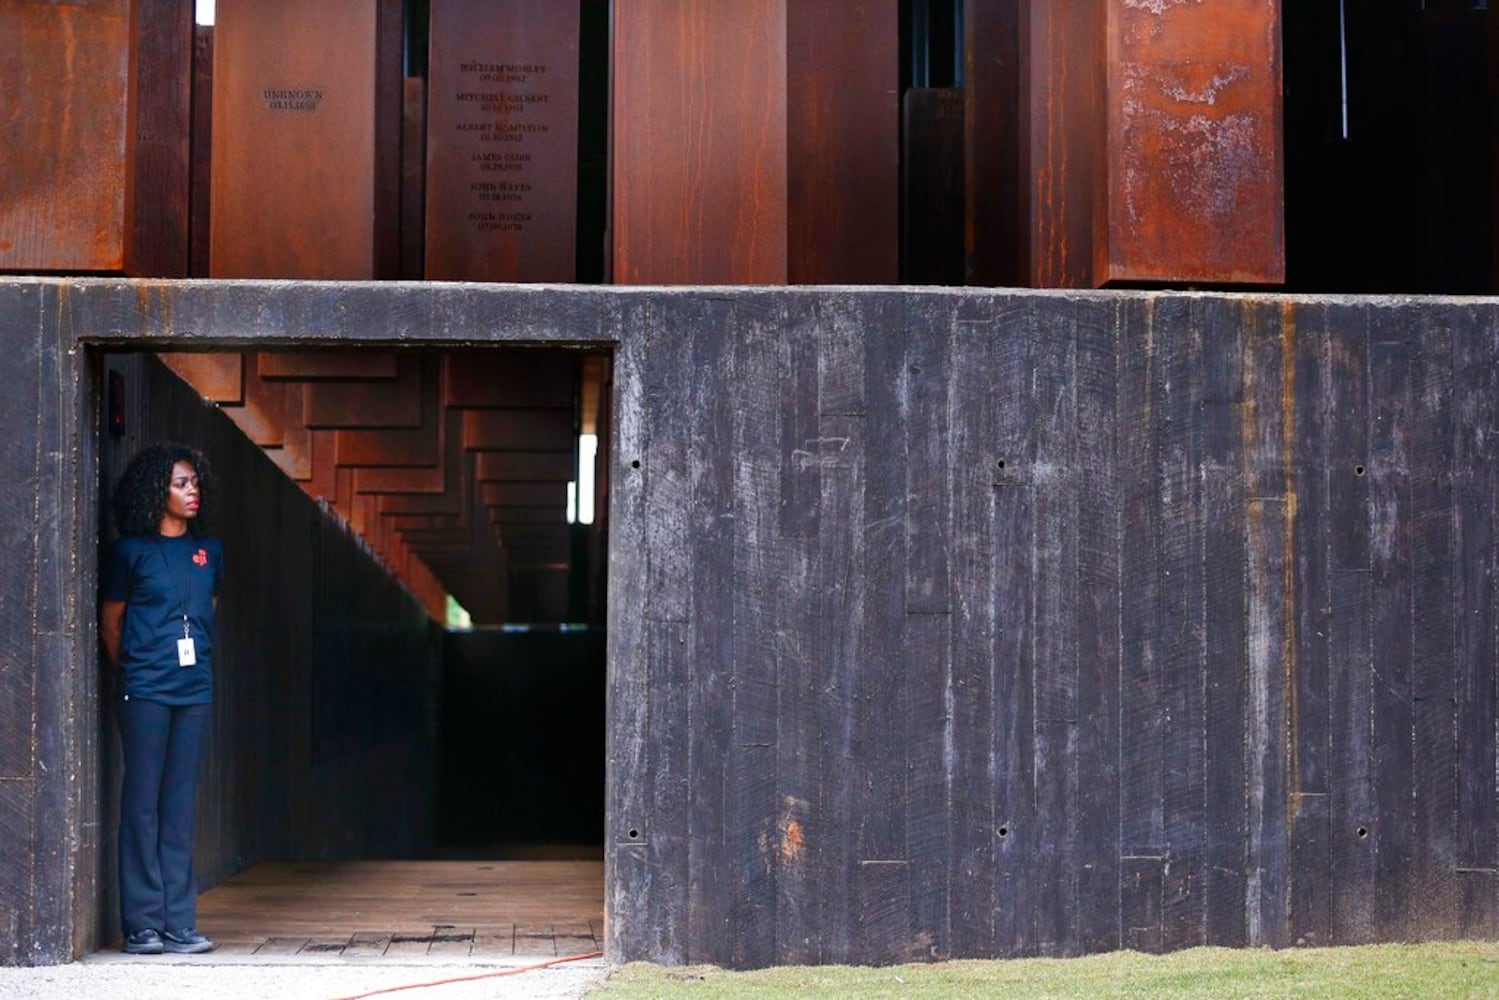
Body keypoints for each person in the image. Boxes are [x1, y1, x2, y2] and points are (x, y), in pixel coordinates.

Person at [99, 443, 222, 956]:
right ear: (157, 490)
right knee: (142, 805)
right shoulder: (130, 552)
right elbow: (112, 623)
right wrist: (135, 672)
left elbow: (209, 610)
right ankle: (142, 925)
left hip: (194, 691)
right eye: (181, 483)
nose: (191, 491)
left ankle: (180, 923)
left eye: (194, 482)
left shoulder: (209, 551)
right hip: (144, 690)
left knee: (177, 807)